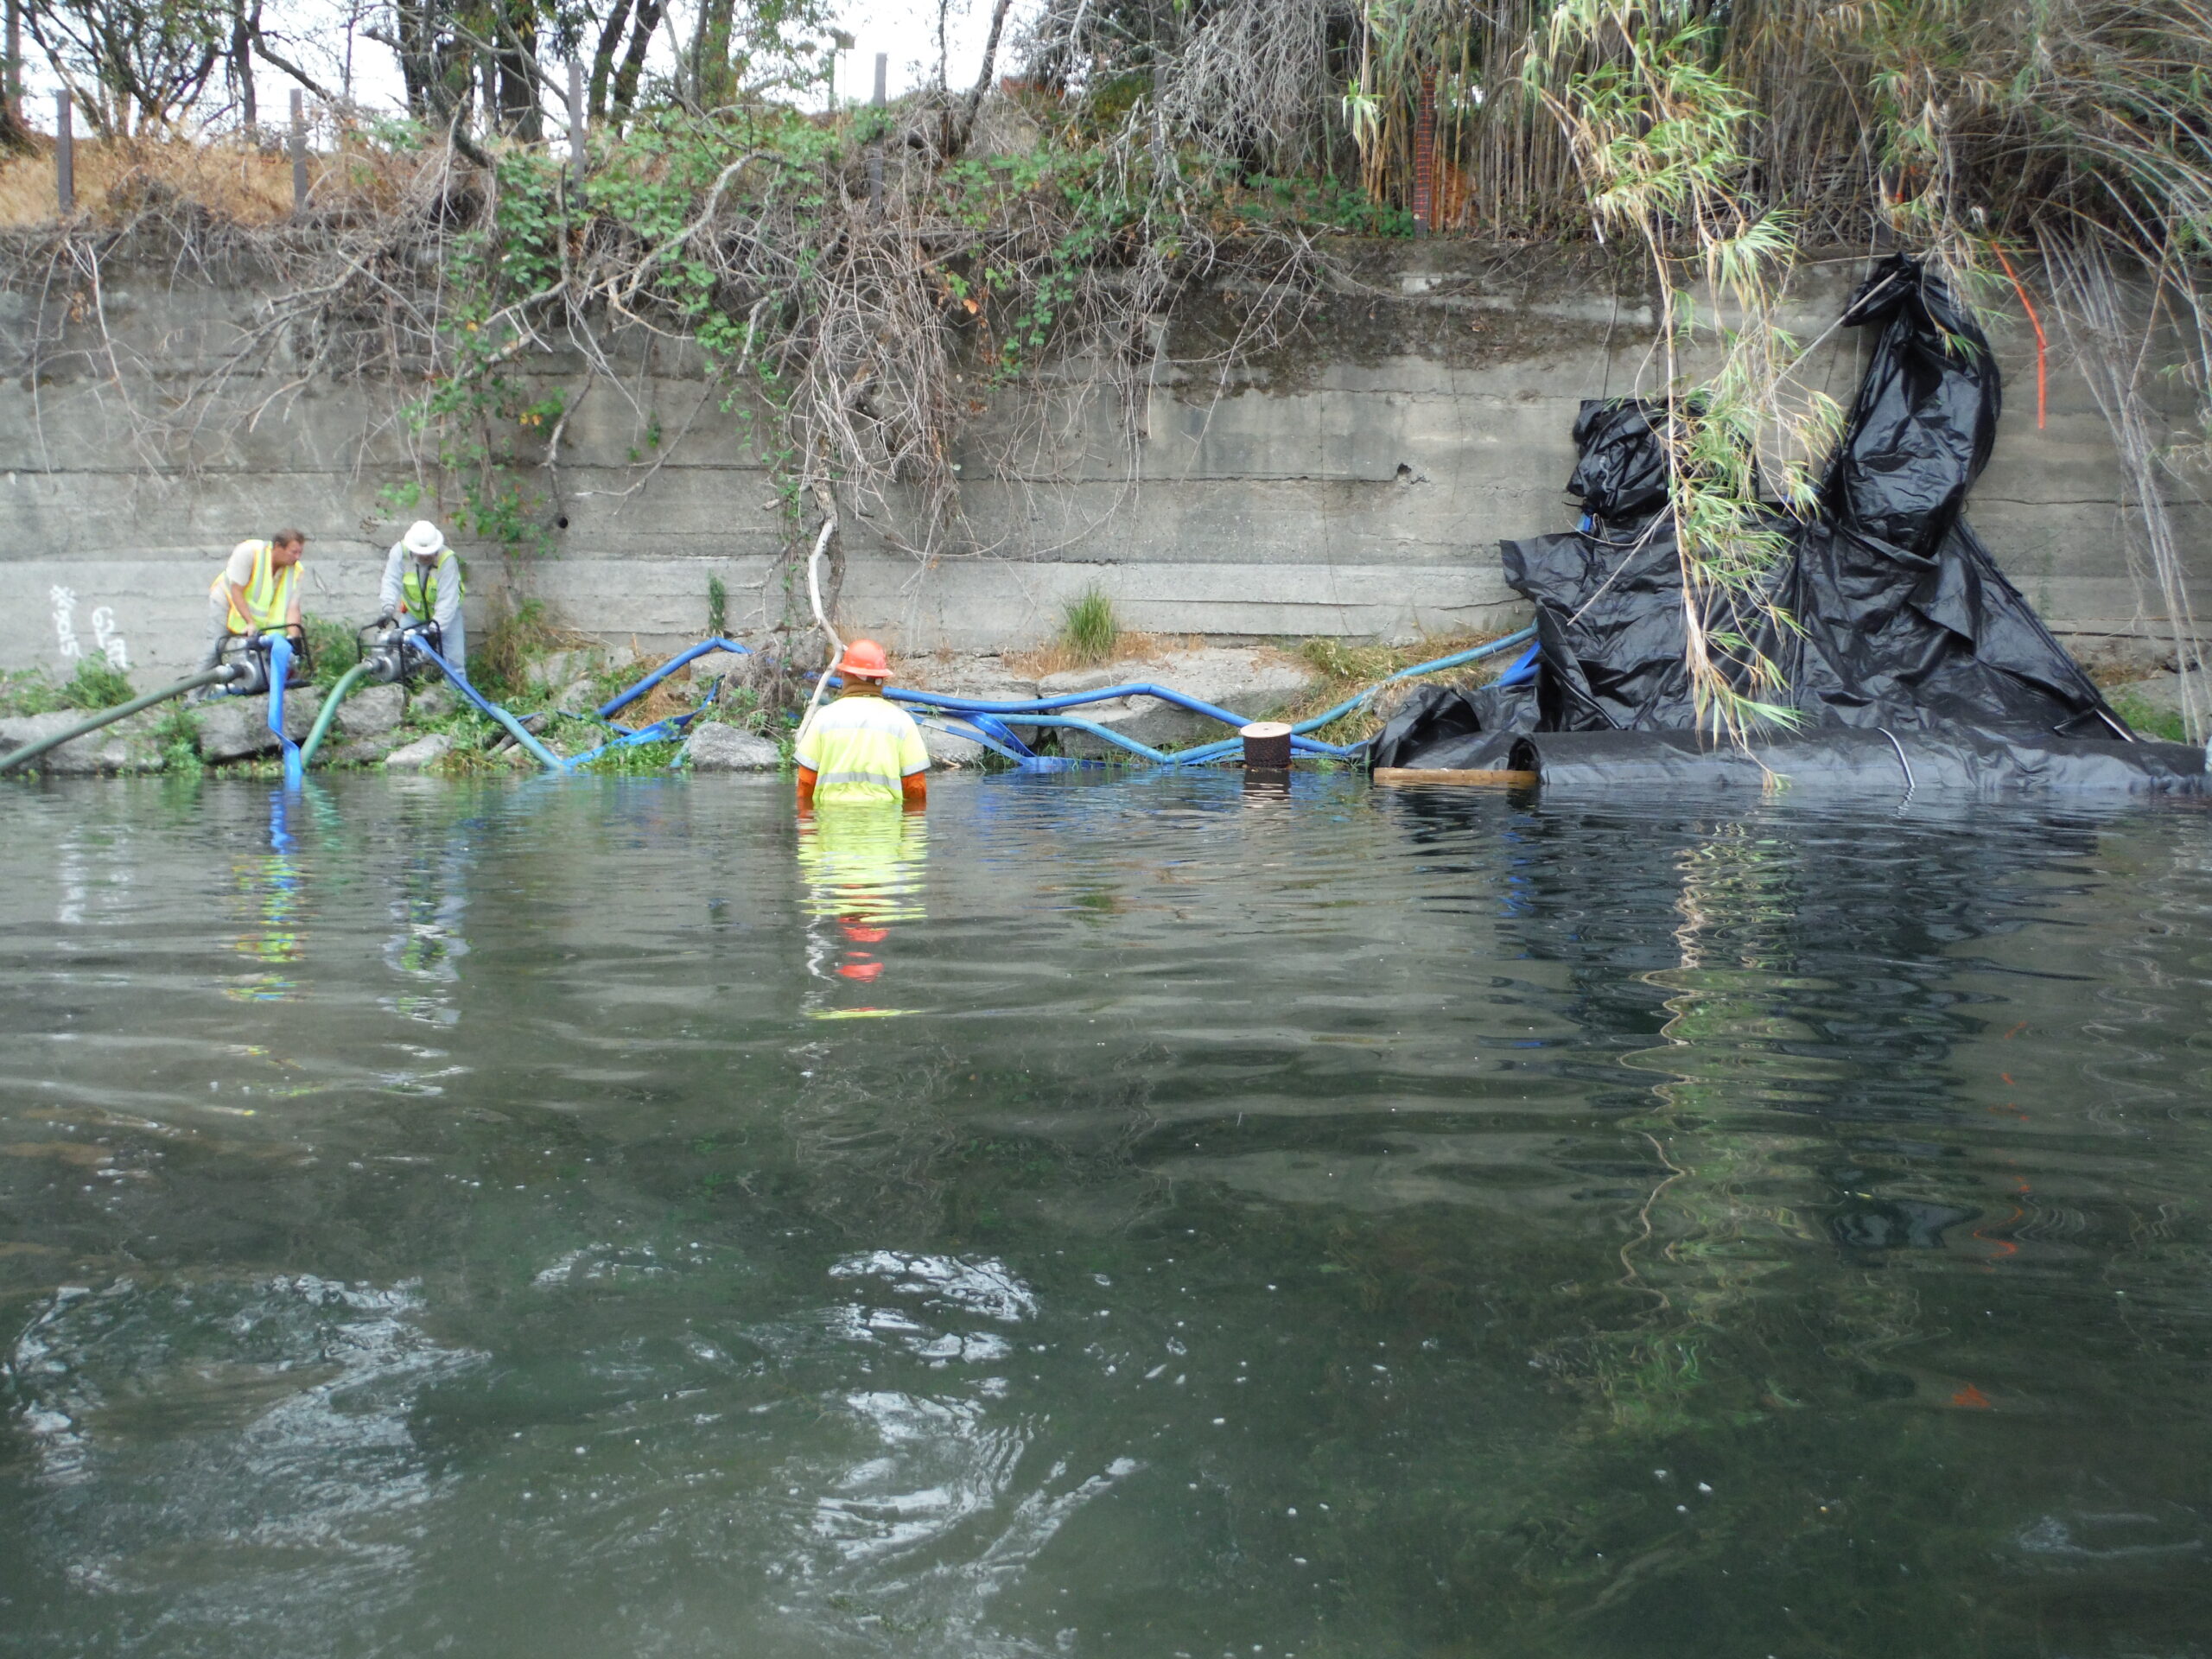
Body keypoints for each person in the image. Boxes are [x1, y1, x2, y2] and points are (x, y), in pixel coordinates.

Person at [794, 639, 929, 810]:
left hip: (833, 827)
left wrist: (808, 830)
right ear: (881, 679)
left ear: (846, 675)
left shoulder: (824, 718)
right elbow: (916, 786)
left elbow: (806, 782)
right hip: (885, 828)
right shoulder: (902, 721)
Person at [200, 528, 306, 671]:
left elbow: (292, 608)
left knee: (257, 659)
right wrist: (250, 623)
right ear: (278, 547)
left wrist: (294, 640)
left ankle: (242, 686)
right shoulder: (249, 552)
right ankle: (197, 693)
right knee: (215, 649)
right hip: (227, 603)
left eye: (300, 552)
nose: (298, 557)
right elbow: (236, 590)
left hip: (256, 617)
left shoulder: (296, 571)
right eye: (294, 552)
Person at [378, 520, 467, 675]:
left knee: (454, 665)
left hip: (447, 618)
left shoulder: (447, 560)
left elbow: (447, 600)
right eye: (422, 553)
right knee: (403, 657)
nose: (426, 556)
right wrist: (387, 609)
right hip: (413, 615)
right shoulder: (400, 554)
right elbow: (391, 582)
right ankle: (406, 694)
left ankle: (457, 697)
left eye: (430, 553)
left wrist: (435, 629)